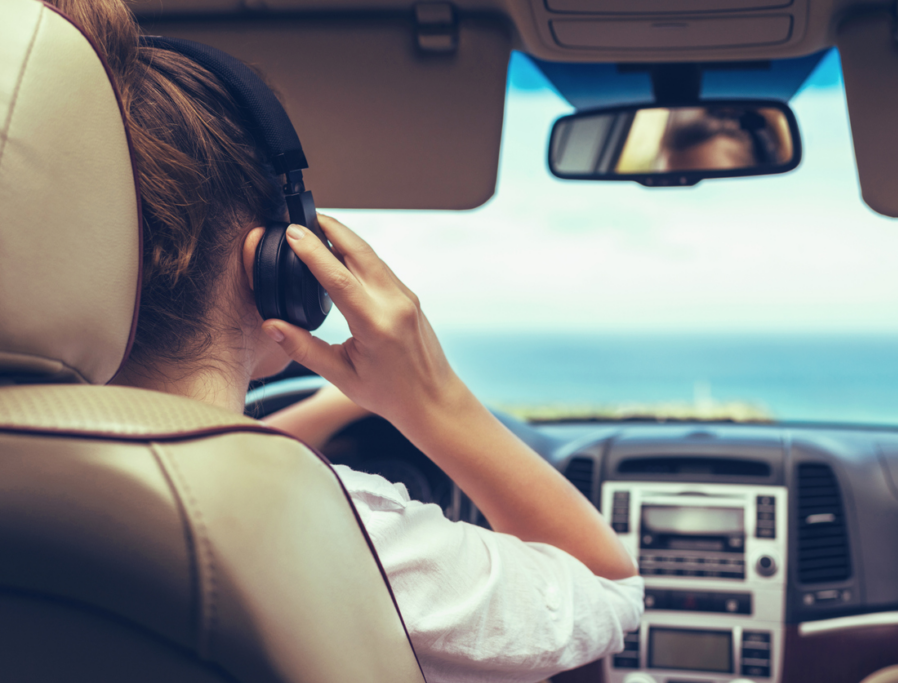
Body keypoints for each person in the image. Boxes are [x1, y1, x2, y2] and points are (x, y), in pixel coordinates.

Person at [50, 1, 644, 682]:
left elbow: (160, 442)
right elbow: (607, 583)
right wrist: (432, 402)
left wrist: (330, 413)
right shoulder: (345, 533)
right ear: (281, 268)